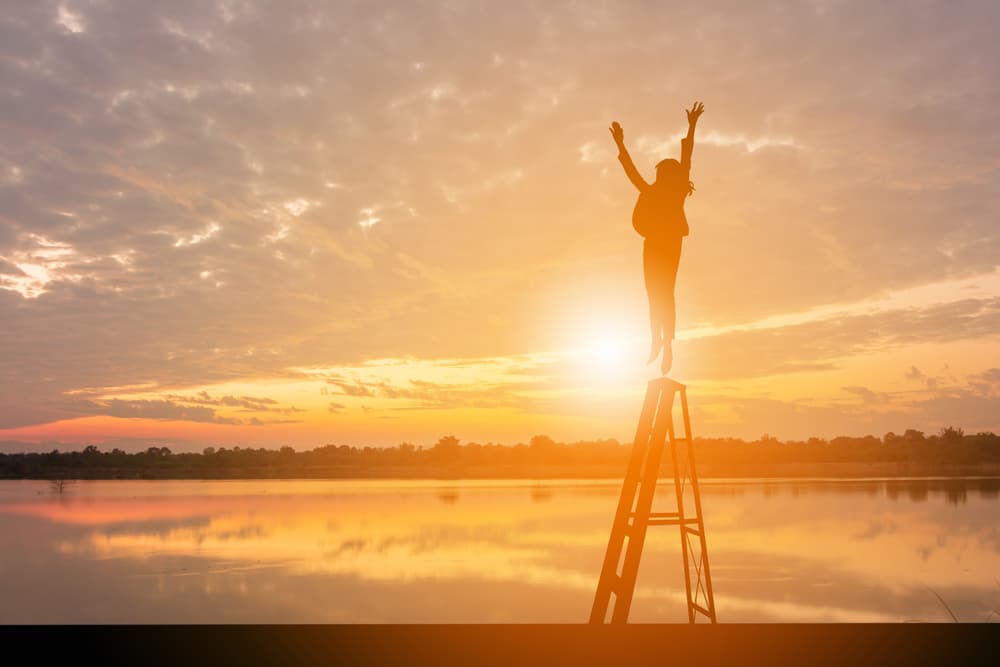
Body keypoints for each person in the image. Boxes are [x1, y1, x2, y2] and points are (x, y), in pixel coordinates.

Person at [610, 101, 704, 375]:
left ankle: (669, 346)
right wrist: (620, 145)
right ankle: (656, 340)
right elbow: (631, 172)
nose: (657, 176)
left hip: (670, 243)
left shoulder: (675, 194)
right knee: (653, 294)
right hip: (652, 244)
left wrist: (692, 125)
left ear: (669, 176)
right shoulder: (650, 192)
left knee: (665, 293)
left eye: (661, 173)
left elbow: (687, 159)